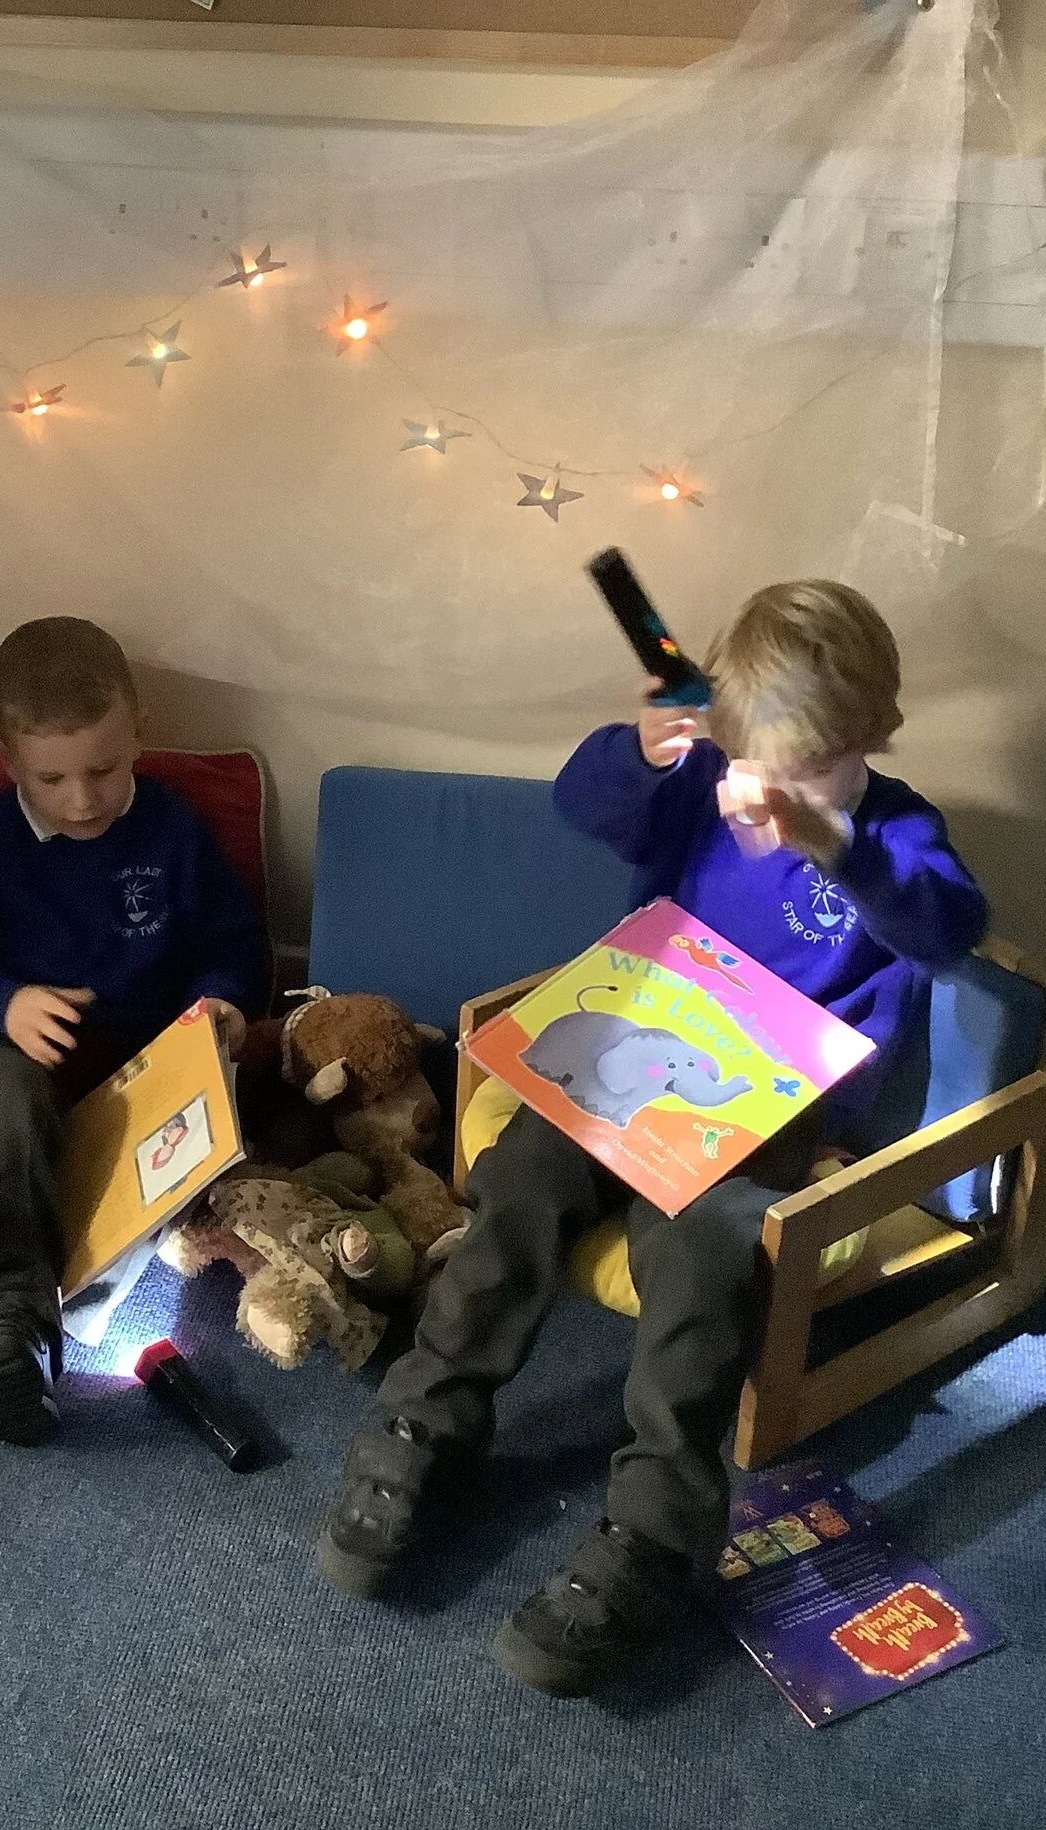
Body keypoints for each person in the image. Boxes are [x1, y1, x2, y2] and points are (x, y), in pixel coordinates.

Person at [317, 578, 988, 1698]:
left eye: (812, 769)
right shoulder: (699, 784)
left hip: (772, 1105)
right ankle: (427, 1422)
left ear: (872, 734)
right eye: (759, 762)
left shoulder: (893, 829)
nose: (774, 794)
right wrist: (644, 745)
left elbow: (949, 926)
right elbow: (585, 801)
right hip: (630, 1055)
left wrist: (836, 842)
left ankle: (658, 1528)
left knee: (698, 1259)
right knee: (519, 1183)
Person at [0, 616, 267, 1446]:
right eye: (51, 777)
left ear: (138, 729)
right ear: (6, 758)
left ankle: (10, 1313)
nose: (82, 800)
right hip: (22, 1065)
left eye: (104, 769)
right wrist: (4, 1001)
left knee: (262, 1110)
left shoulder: (173, 830)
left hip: (148, 1069)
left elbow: (233, 945)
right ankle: (7, 1324)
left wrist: (223, 1001)